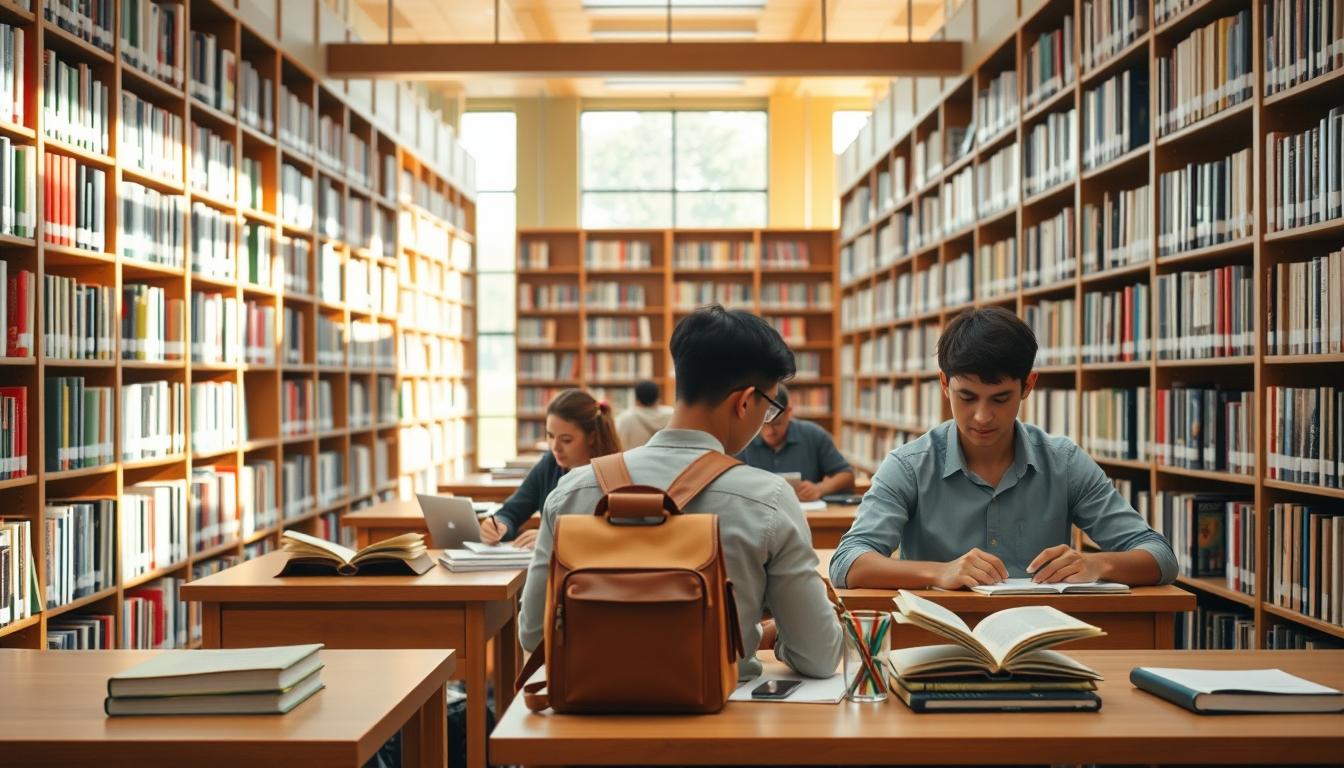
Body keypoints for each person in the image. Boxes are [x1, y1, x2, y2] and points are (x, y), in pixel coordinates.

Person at [519, 305, 843, 680]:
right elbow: (818, 656)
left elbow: (531, 631)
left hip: (588, 714)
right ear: (743, 401)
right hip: (718, 719)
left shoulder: (572, 489)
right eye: (767, 408)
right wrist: (760, 635)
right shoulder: (768, 498)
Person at [830, 306, 1178, 590]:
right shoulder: (908, 466)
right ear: (943, 384)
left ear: (1028, 385)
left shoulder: (1064, 462)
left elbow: (1160, 557)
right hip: (938, 641)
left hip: (1043, 641)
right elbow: (847, 561)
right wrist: (938, 573)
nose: (982, 416)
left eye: (1000, 398)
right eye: (966, 397)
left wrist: (1097, 563)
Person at [479, 389, 621, 549]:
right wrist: (499, 525)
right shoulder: (549, 464)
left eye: (566, 440)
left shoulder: (614, 474)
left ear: (592, 437)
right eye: (550, 436)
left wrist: (553, 537)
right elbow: (511, 512)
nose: (555, 448)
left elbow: (615, 536)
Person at [735, 384, 854, 501]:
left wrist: (819, 489)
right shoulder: (743, 439)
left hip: (807, 515)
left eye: (777, 424)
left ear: (789, 412)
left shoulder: (813, 435)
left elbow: (846, 475)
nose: (769, 432)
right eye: (763, 425)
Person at [614, 379, 672, 448]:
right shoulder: (672, 415)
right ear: (658, 398)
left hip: (633, 458)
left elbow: (618, 446)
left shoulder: (625, 418)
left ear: (636, 399)